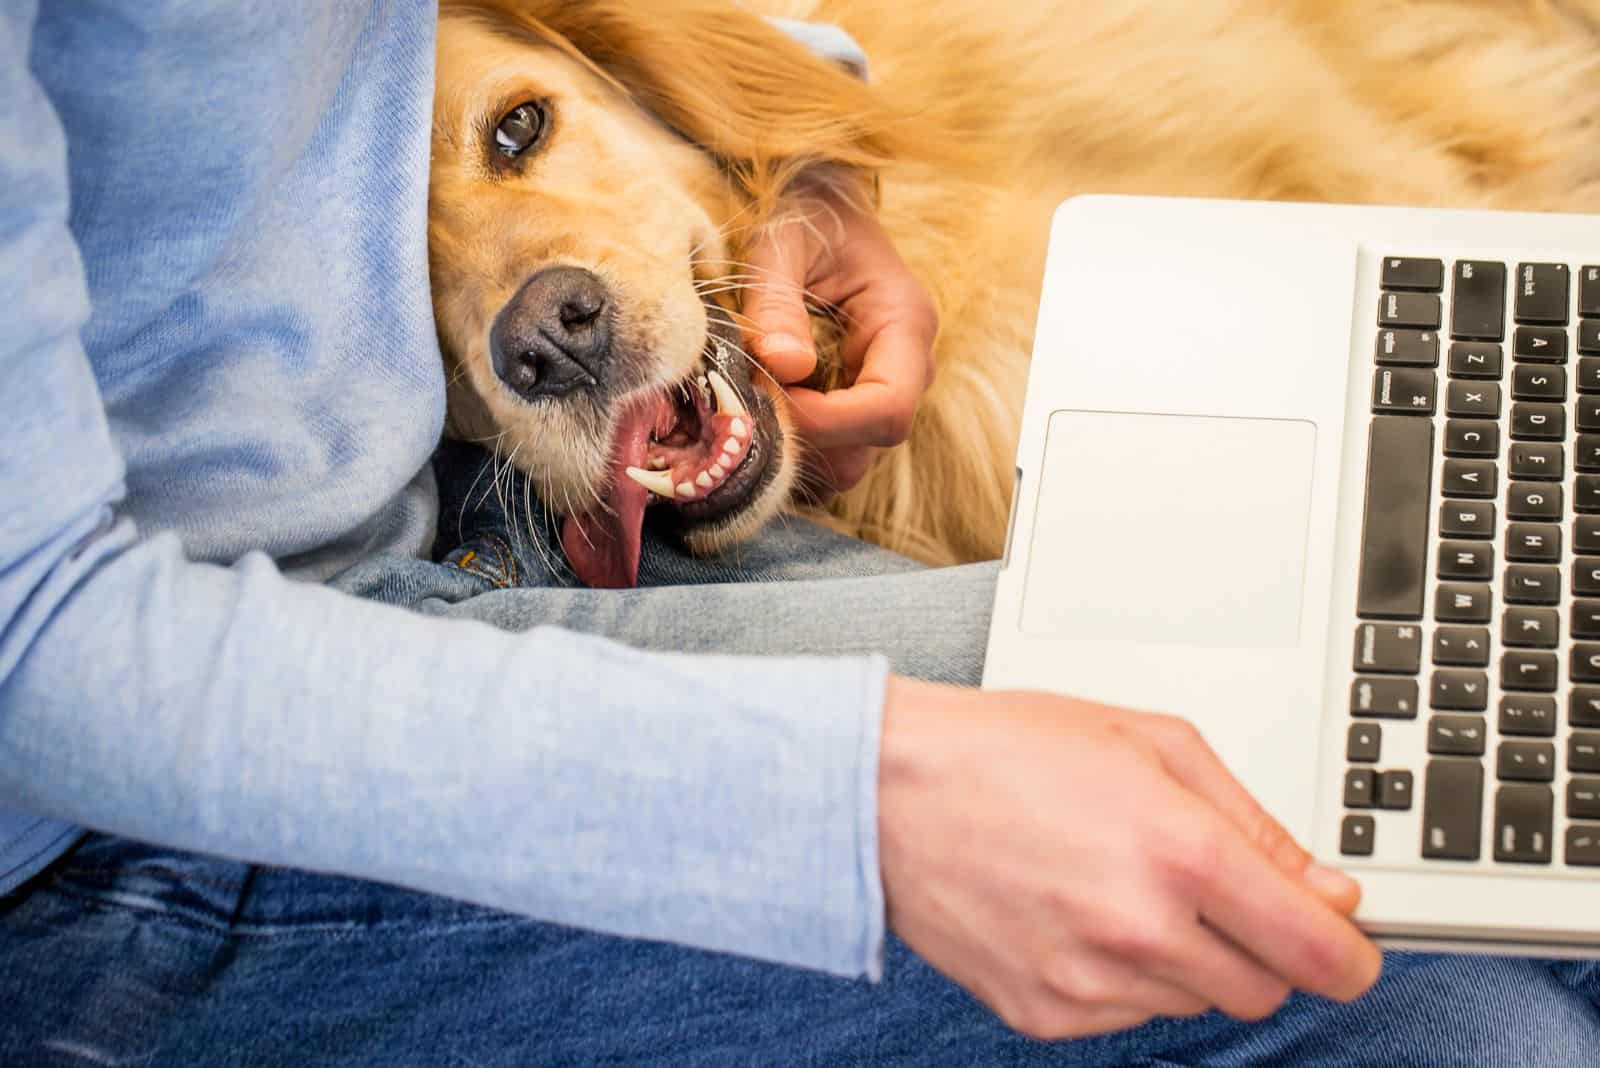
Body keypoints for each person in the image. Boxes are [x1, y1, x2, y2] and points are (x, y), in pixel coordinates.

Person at [2, 2, 1597, 1064]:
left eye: (517, 139)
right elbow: (32, 645)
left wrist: (800, 129)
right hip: (140, 780)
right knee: (1429, 988)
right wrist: (852, 804)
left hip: (483, 502)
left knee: (1478, 677)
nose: (535, 308)